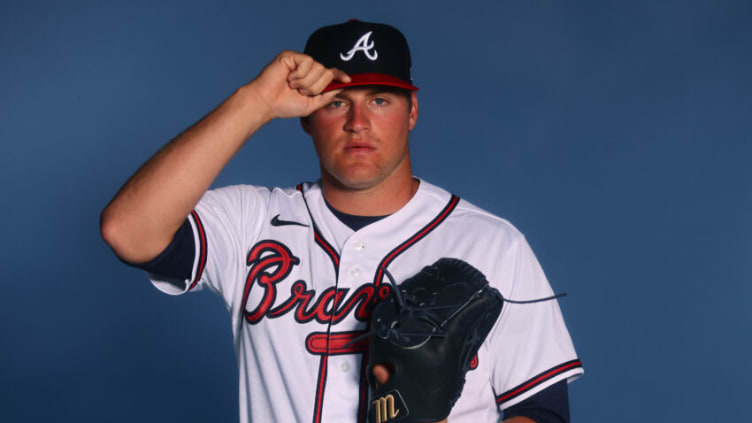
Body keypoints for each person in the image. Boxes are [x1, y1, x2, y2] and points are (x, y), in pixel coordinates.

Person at [101, 19, 583, 423]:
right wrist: (256, 103)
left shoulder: (492, 243)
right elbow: (128, 231)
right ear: (306, 117)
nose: (358, 122)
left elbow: (542, 410)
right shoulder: (252, 221)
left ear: (411, 111)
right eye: (336, 102)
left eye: (380, 100)